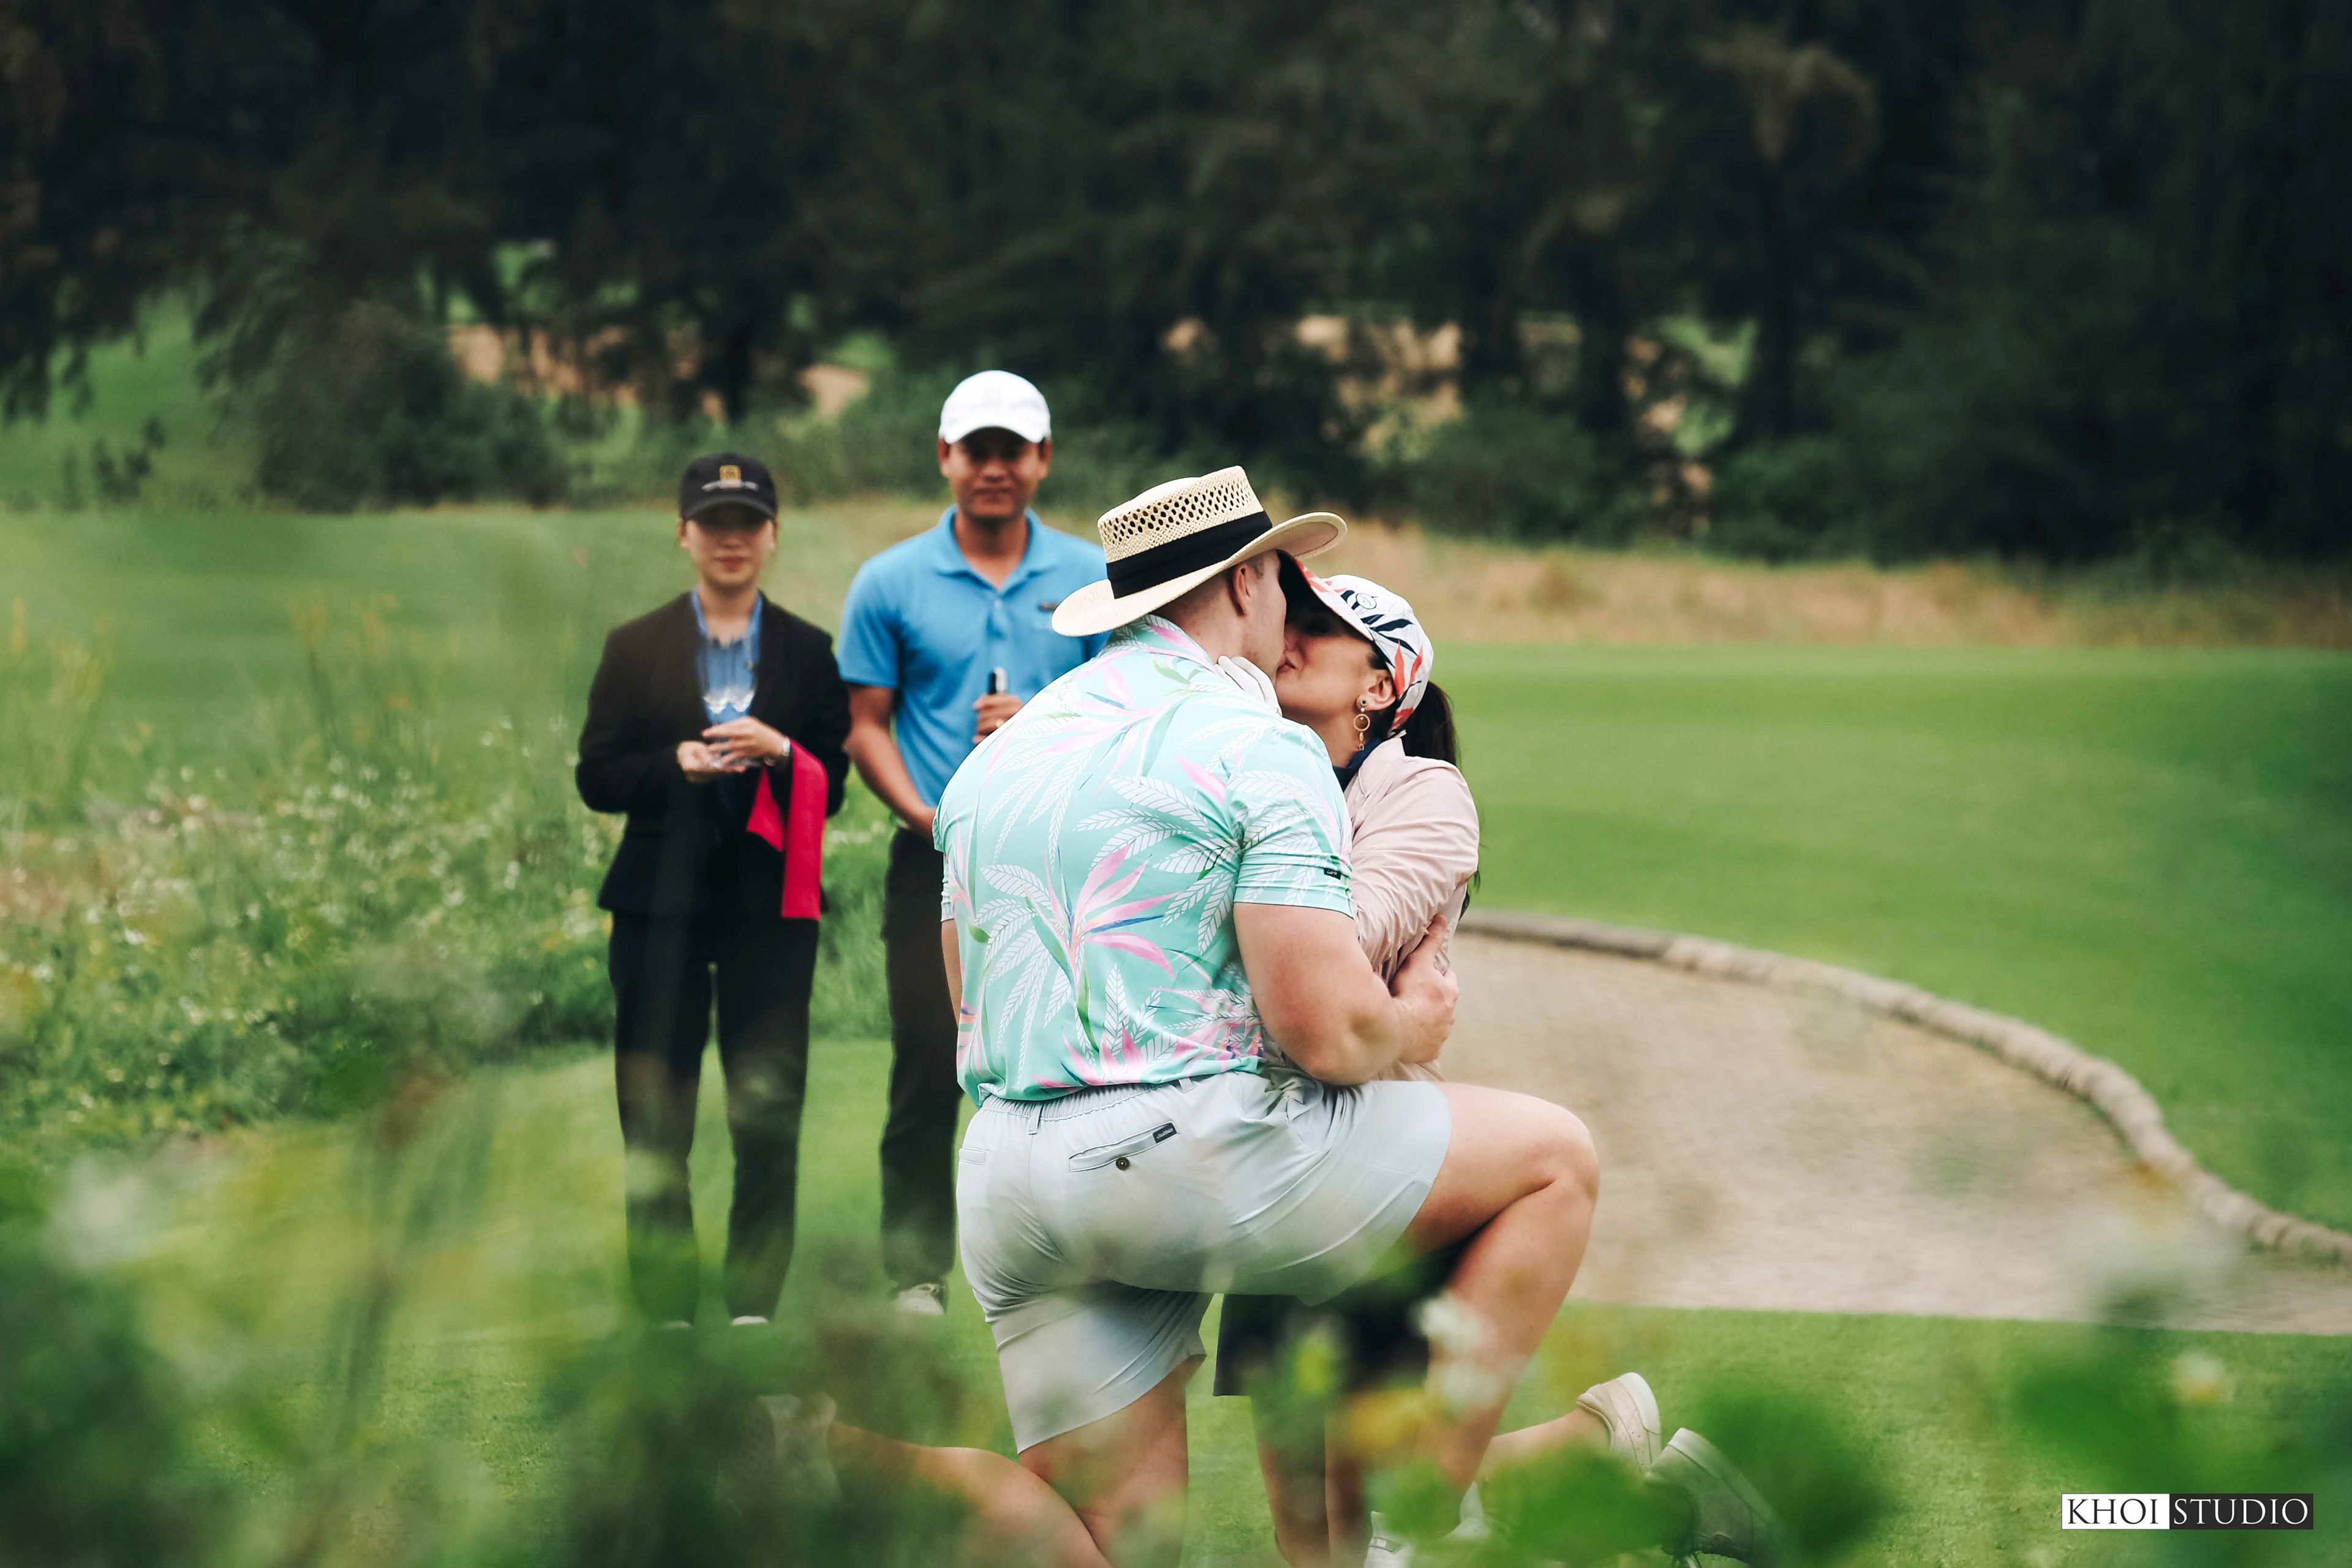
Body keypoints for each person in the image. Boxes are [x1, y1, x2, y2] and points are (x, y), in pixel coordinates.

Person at [934, 466, 1603, 1567]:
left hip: (1005, 1174)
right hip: (1180, 1162)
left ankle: (817, 1453)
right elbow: (1326, 1032)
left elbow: (968, 991)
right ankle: (1417, 1520)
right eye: (1291, 581)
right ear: (1248, 583)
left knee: (1106, 1545)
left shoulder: (1000, 755)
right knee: (1555, 1160)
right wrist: (1412, 1029)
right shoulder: (1258, 743)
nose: (1297, 610)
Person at [1218, 564, 1783, 1567]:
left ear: (1381, 684)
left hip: (1366, 1156)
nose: (1286, 634)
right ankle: (1625, 1473)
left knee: (1370, 1524)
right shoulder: (1259, 768)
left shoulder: (1424, 792)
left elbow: (1334, 951)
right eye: (1285, 615)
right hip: (1262, 1145)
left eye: (1319, 626)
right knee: (1311, 1530)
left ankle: (1612, 1466)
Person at [838, 370, 1108, 1316]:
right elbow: (866, 724)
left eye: (1012, 451)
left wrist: (1042, 723)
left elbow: (1124, 711)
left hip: (1063, 854)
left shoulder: (1091, 577)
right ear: (945, 458)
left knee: (1073, 1054)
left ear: (1044, 459)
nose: (995, 468)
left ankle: (1070, 1263)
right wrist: (924, 813)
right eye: (977, 451)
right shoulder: (890, 581)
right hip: (932, 855)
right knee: (927, 1056)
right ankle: (916, 1272)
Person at [575, 453, 851, 1327]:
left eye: (747, 524)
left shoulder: (810, 650)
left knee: (767, 1105)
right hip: (656, 906)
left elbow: (832, 786)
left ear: (771, 536)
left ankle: (752, 1303)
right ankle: (665, 1303)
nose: (732, 540)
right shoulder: (634, 646)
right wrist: (675, 764)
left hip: (773, 910)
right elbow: (597, 776)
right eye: (714, 524)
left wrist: (782, 752)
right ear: (684, 534)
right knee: (655, 1109)